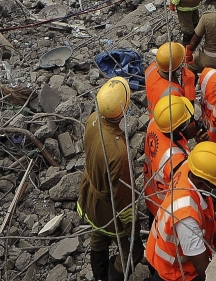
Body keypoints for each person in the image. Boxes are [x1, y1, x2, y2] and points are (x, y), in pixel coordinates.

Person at [81, 78, 142, 281]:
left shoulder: (92, 120)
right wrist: (131, 227)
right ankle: (112, 276)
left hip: (91, 196)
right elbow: (123, 197)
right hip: (110, 210)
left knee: (98, 239)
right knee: (132, 252)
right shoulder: (118, 152)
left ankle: (99, 276)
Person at [144, 141, 216, 281]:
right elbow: (203, 270)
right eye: (215, 184)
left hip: (166, 251)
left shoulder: (188, 167)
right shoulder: (186, 218)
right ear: (202, 183)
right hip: (175, 271)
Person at [143, 94, 195, 221]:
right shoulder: (175, 160)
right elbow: (188, 187)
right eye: (188, 121)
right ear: (178, 128)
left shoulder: (155, 122)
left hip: (151, 195)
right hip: (164, 207)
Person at [145, 42, 195, 115]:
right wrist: (189, 87)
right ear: (176, 68)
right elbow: (188, 114)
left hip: (154, 115)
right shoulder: (173, 92)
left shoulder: (151, 68)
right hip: (166, 122)